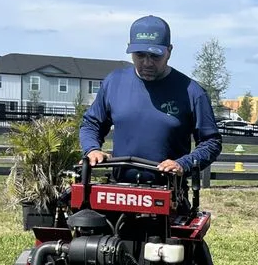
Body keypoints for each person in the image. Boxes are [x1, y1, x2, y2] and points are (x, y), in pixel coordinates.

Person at [79, 15, 222, 183]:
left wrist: (183, 164)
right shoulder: (114, 82)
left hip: (168, 192)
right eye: (140, 55)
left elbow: (211, 142)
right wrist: (92, 149)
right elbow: (91, 124)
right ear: (130, 49)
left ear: (169, 51)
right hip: (118, 189)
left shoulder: (192, 92)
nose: (147, 63)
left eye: (155, 56)